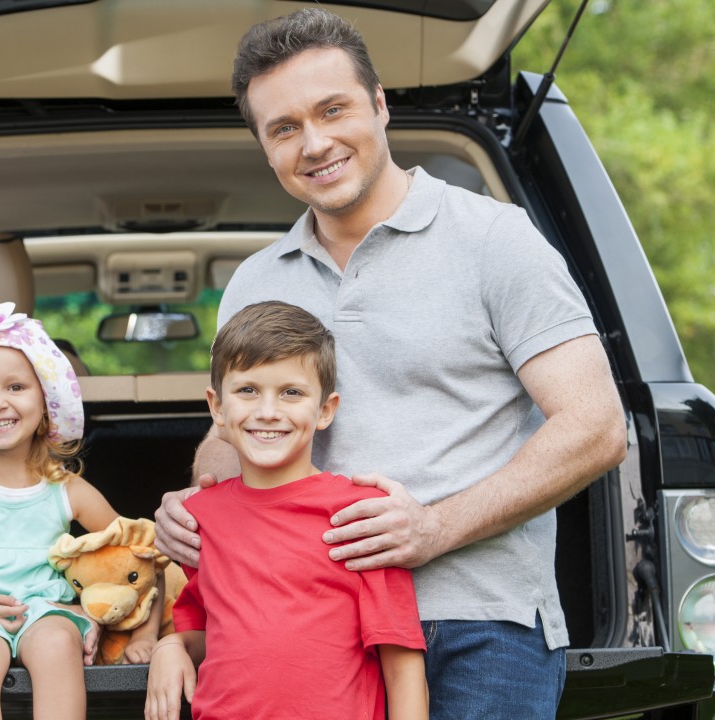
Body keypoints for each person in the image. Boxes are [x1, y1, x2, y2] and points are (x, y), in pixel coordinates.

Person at [154, 8, 627, 719]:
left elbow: (596, 427)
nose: (314, 143)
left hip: (480, 623)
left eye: (333, 109)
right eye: (284, 128)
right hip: (313, 632)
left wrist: (433, 529)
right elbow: (242, 433)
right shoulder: (256, 281)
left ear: (379, 105)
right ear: (264, 146)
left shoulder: (493, 239)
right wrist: (191, 507)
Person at [145, 301, 427, 720]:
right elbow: (212, 634)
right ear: (217, 407)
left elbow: (402, 668)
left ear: (326, 410)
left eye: (291, 392)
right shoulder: (201, 518)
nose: (268, 411)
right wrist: (171, 646)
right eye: (247, 390)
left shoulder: (359, 517)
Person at [0, 301, 165, 720]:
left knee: (57, 642)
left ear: (46, 401)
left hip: (46, 612)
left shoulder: (66, 489)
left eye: (15, 388)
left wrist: (145, 630)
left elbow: (141, 556)